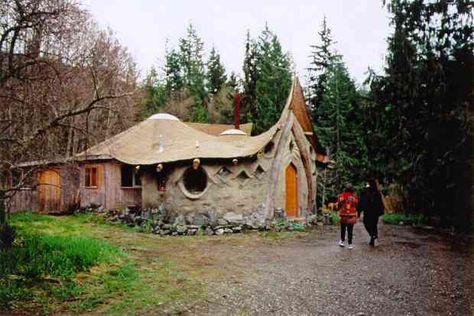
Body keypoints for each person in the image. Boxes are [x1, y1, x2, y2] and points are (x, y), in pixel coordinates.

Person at [358, 178, 385, 246]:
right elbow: (380, 202)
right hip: (373, 211)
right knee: (372, 224)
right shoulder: (375, 192)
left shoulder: (369, 192)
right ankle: (373, 236)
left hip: (369, 211)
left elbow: (362, 201)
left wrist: (359, 210)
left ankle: (372, 236)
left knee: (368, 223)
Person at [337, 183, 358, 249]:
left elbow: (339, 203)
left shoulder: (341, 195)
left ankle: (342, 241)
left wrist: (339, 209)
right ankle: (350, 244)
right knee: (350, 229)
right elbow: (356, 203)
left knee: (343, 228)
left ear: (345, 189)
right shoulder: (354, 196)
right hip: (351, 215)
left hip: (343, 215)